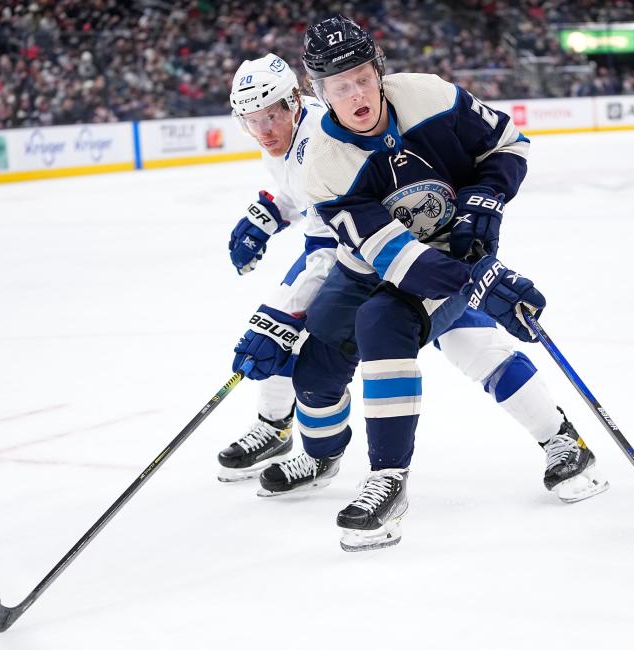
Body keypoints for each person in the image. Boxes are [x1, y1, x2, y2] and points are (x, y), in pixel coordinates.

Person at [229, 15, 605, 552]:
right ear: (320, 92)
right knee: (316, 363)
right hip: (380, 264)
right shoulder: (323, 164)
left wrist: (485, 202)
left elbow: (508, 145)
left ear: (378, 70)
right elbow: (392, 255)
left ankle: (396, 478)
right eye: (339, 86)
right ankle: (320, 455)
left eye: (362, 77)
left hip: (450, 248)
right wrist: (477, 282)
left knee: (393, 325)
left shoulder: (429, 95)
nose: (356, 93)